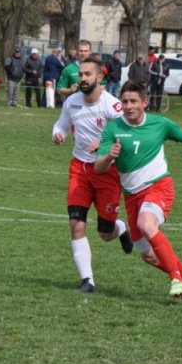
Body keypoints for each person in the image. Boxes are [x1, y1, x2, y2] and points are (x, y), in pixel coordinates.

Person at [95, 80, 182, 300]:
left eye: (133, 101)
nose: (128, 106)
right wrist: (109, 156)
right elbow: (98, 167)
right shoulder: (113, 128)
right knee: (148, 255)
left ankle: (176, 279)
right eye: (124, 102)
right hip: (131, 196)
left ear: (145, 103)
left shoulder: (160, 124)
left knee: (146, 224)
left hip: (158, 186)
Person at [51, 56, 133, 293]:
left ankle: (121, 228)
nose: (83, 78)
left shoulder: (112, 105)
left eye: (88, 74)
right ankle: (88, 280)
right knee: (76, 223)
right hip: (79, 169)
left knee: (105, 234)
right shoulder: (72, 102)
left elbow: (125, 135)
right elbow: (61, 125)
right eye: (81, 74)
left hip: (107, 170)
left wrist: (104, 143)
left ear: (100, 77)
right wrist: (58, 135)